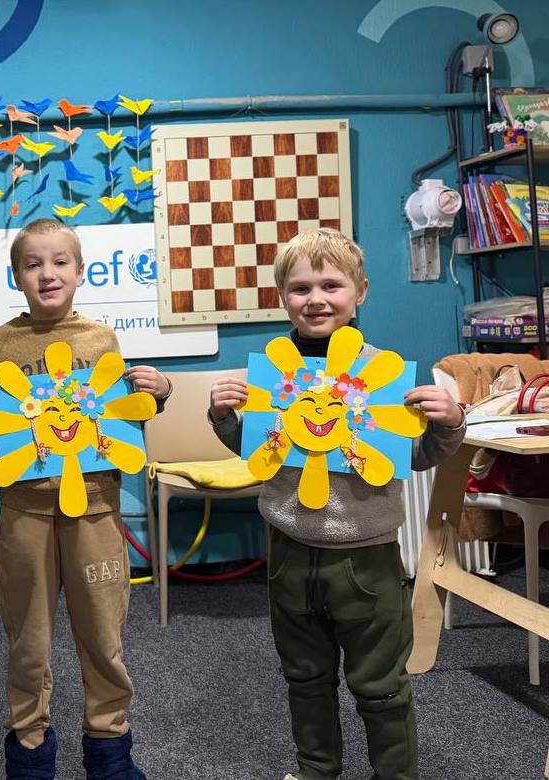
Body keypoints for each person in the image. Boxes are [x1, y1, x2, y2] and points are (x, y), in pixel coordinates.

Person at [207, 228, 466, 780]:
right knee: (304, 677)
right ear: (283, 297)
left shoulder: (382, 373)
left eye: (331, 285)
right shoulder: (275, 371)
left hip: (365, 557)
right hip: (289, 551)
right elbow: (263, 452)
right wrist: (225, 418)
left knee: (381, 685)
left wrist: (449, 424)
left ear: (360, 291)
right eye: (301, 288)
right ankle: (316, 770)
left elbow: (415, 456)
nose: (316, 299)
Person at [0, 218, 167, 780]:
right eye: (33, 264)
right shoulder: (2, 342)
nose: (47, 273)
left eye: (59, 262)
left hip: (95, 508)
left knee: (103, 636)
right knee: (28, 640)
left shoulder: (101, 339)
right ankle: (28, 750)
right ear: (16, 276)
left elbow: (119, 418)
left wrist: (157, 392)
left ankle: (110, 749)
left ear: (80, 271)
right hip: (25, 509)